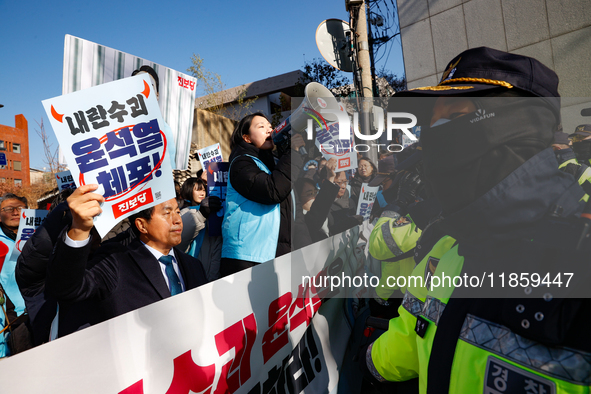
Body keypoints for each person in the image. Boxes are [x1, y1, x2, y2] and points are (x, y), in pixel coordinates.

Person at [363, 47, 591, 393]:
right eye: (430, 123)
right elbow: (412, 337)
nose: (435, 135)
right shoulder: (445, 247)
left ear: (521, 121)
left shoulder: (581, 259)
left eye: (454, 116)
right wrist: (369, 360)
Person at [45, 184, 209, 325]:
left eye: (178, 212)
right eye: (167, 213)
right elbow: (66, 289)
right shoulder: (116, 264)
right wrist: (79, 230)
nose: (177, 220)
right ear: (142, 225)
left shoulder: (194, 266)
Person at [220, 113, 303, 276]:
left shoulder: (274, 166)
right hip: (247, 257)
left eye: (270, 126)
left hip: (273, 254)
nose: (269, 130)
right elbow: (273, 190)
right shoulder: (241, 163)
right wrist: (292, 153)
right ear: (247, 138)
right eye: (261, 126)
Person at [0, 193, 31, 357]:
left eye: (20, 208)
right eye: (8, 209)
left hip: (45, 306)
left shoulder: (40, 234)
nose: (15, 212)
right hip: (13, 316)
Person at [178, 178, 222, 281]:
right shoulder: (184, 212)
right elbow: (181, 240)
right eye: (197, 190)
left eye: (203, 189)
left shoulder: (214, 213)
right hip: (193, 273)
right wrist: (201, 214)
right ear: (189, 191)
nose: (202, 193)